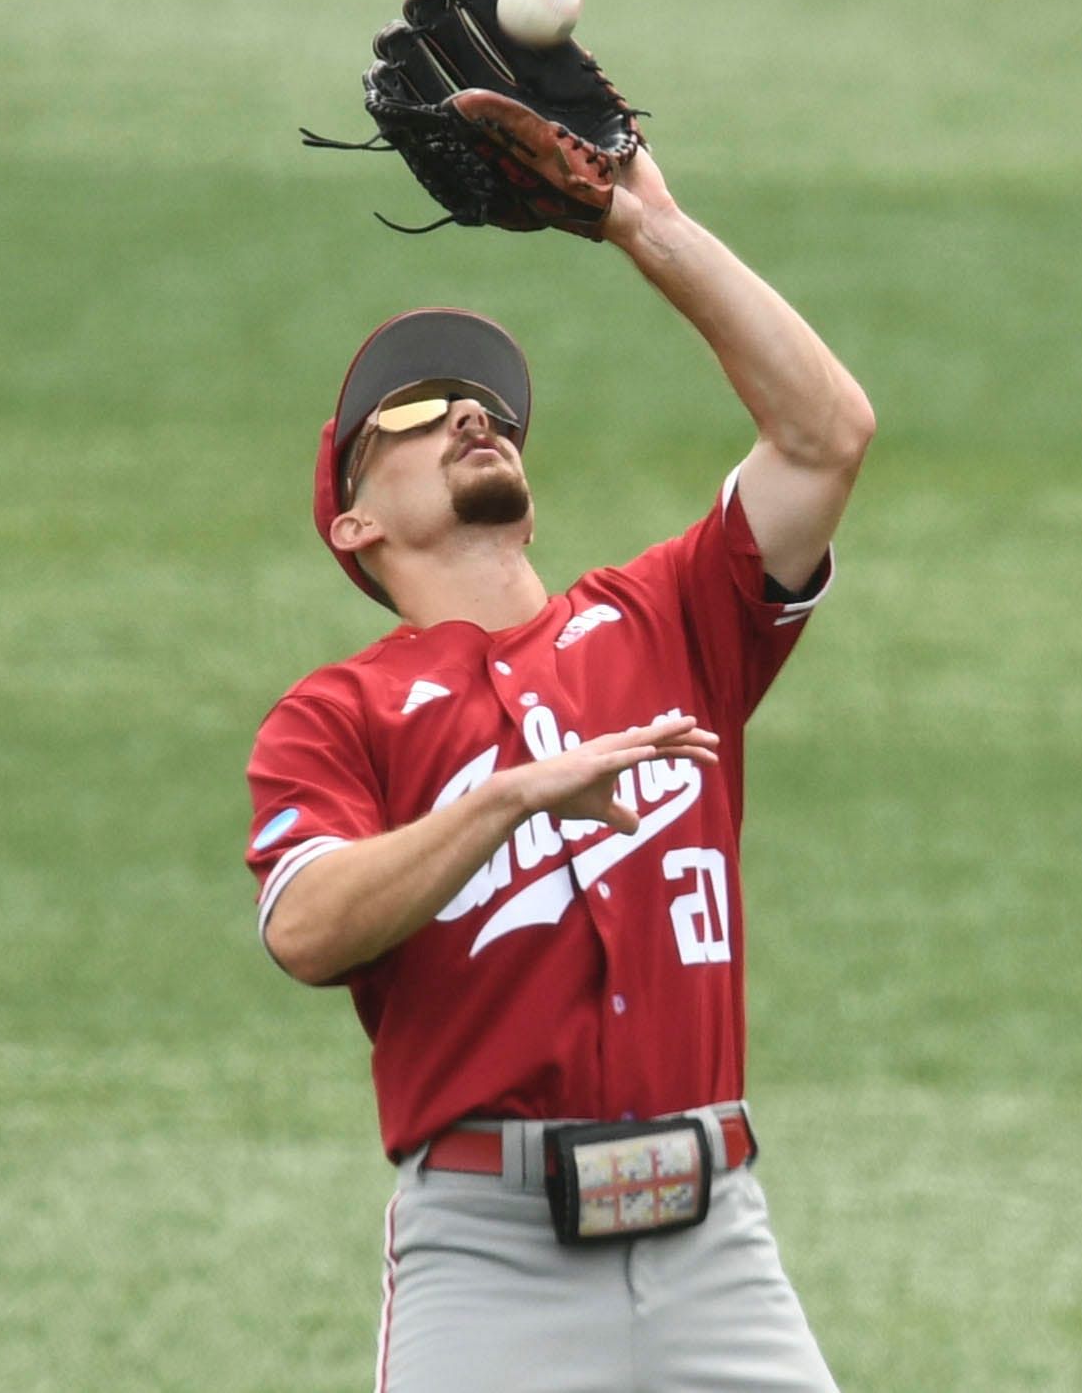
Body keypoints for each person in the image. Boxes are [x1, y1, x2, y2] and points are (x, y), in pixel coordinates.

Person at [242, 147, 874, 1393]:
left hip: (717, 1248)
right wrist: (506, 798)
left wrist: (654, 227)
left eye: (486, 407)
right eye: (418, 414)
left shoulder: (665, 621)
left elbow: (825, 435)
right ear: (353, 521)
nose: (471, 415)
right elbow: (307, 929)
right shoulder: (335, 719)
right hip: (489, 1263)